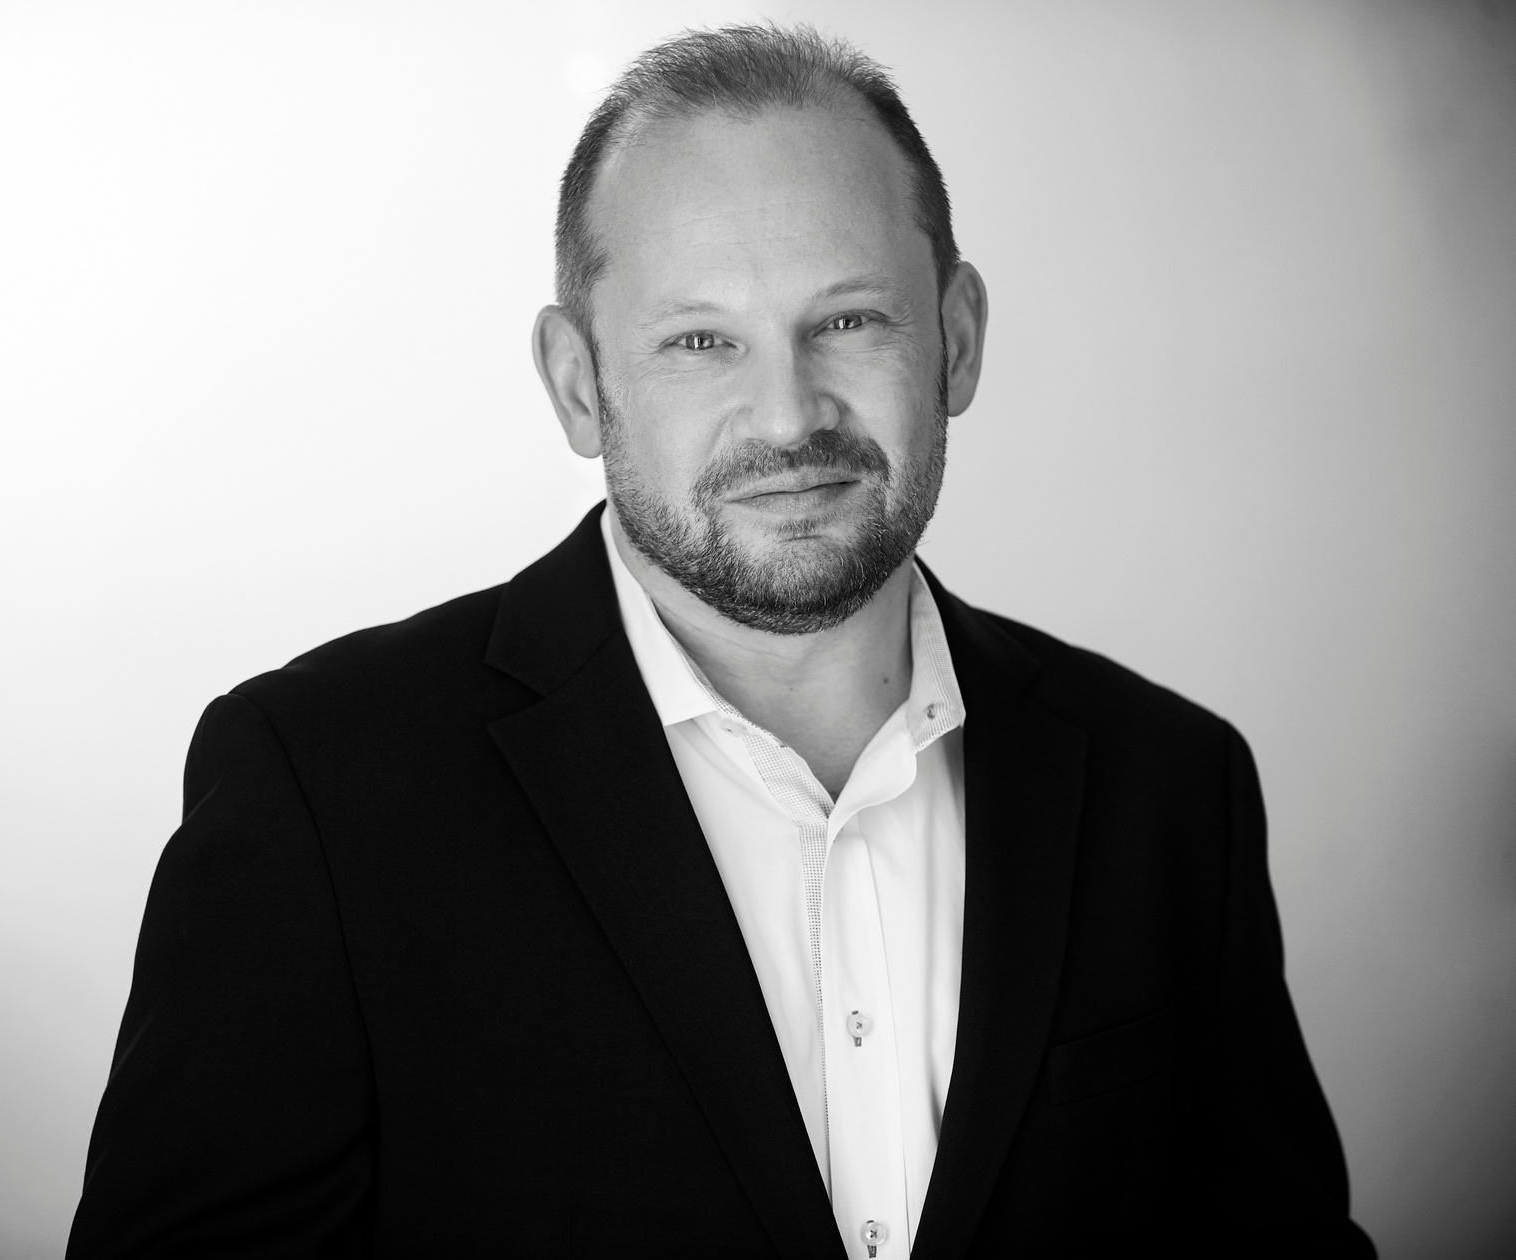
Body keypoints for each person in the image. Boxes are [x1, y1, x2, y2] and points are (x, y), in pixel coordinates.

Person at [66, 24, 1372, 1259]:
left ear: (958, 340)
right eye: (700, 341)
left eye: (848, 320)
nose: (788, 416)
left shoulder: (1169, 786)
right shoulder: (323, 791)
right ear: (578, 384)